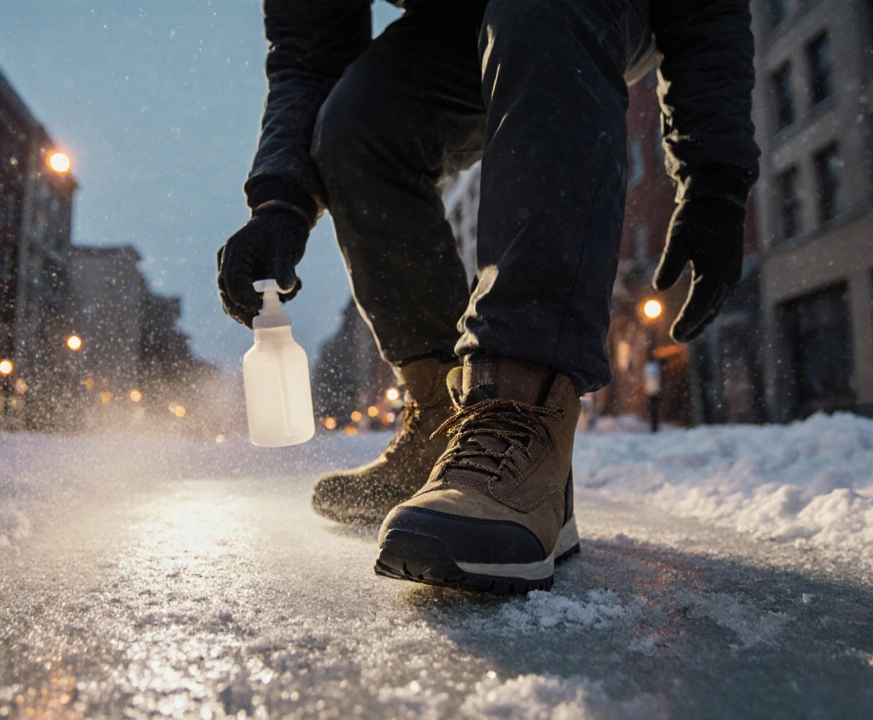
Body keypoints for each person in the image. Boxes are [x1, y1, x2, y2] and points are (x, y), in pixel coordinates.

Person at [216, 0, 758, 593]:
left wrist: (715, 176)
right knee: (358, 120)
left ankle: (525, 413)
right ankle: (442, 419)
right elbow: (307, 57)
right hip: (462, 19)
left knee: (538, 11)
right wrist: (281, 200)